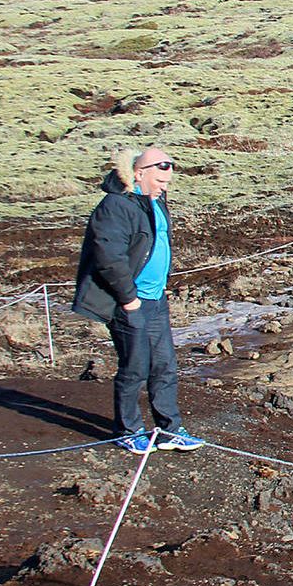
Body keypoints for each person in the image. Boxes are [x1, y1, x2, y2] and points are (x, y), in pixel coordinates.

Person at [72, 146, 203, 452]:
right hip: (128, 302)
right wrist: (129, 299)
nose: (165, 185)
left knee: (165, 365)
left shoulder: (154, 202)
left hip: (155, 300)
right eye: (160, 178)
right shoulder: (116, 206)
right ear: (139, 174)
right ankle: (127, 430)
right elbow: (108, 257)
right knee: (135, 367)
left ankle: (169, 431)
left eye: (168, 181)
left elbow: (153, 245)